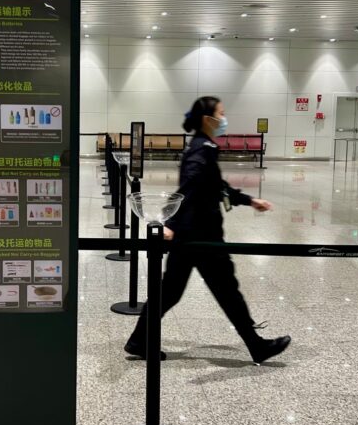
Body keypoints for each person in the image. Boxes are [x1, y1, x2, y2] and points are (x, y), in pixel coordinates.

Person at [123, 96, 291, 365]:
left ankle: (139, 340)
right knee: (225, 291)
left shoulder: (204, 146)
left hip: (194, 234)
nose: (224, 119)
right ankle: (256, 346)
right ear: (207, 119)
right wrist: (171, 224)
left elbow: (217, 187)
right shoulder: (201, 149)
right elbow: (189, 187)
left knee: (175, 292)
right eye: (220, 114)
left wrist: (249, 200)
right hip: (200, 236)